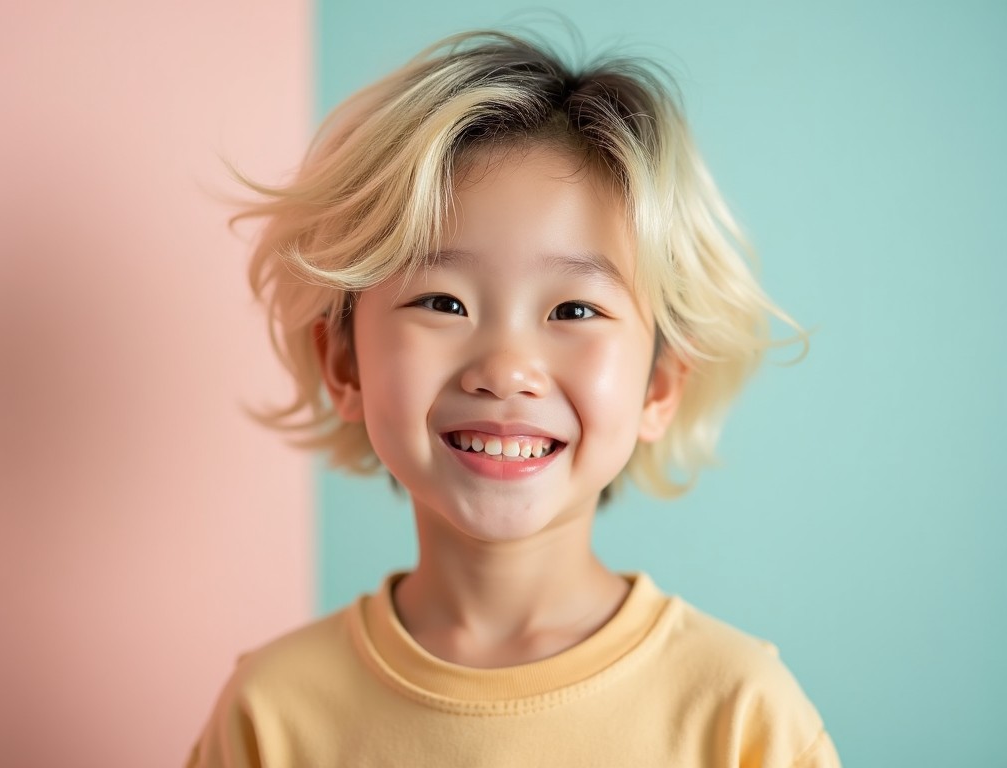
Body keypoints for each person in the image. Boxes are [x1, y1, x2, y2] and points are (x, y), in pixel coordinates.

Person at [187, 28, 840, 767]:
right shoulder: (271, 713)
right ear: (343, 362)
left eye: (573, 311)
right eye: (441, 301)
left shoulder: (738, 713)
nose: (505, 368)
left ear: (660, 383)